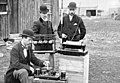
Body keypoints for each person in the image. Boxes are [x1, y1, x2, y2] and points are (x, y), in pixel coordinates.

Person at [31, 5, 55, 69]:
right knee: (40, 66)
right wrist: (41, 39)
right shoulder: (36, 23)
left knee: (50, 66)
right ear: (40, 13)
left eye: (46, 13)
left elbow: (52, 33)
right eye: (43, 13)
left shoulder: (49, 23)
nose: (45, 15)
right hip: (40, 48)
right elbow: (34, 35)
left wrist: (52, 38)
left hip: (49, 47)